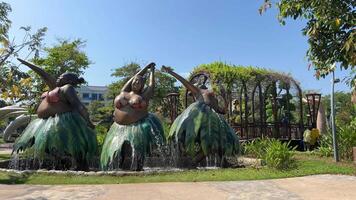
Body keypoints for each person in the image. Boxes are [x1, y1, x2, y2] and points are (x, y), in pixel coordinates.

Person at [13, 58, 97, 170]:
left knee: (70, 145)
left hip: (64, 122)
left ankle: (77, 166)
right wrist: (27, 63)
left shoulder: (67, 88)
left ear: (69, 81)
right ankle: (61, 163)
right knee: (47, 145)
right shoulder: (55, 88)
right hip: (46, 122)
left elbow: (78, 106)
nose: (59, 77)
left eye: (62, 77)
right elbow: (44, 74)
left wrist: (87, 121)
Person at [161, 66, 239, 167]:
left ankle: (223, 161)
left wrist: (225, 98)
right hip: (201, 117)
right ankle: (193, 161)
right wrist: (171, 72)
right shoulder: (198, 92)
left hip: (213, 120)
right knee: (207, 140)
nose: (199, 83)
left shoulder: (213, 94)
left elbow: (222, 110)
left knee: (222, 139)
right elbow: (184, 81)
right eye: (195, 85)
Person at [100, 63, 165, 171]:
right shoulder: (124, 91)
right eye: (135, 80)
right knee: (117, 149)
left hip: (137, 126)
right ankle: (116, 167)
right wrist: (145, 68)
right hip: (118, 127)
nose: (136, 82)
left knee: (138, 146)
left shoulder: (143, 96)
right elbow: (133, 77)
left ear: (143, 85)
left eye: (139, 82)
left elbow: (151, 86)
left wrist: (152, 71)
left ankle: (138, 168)